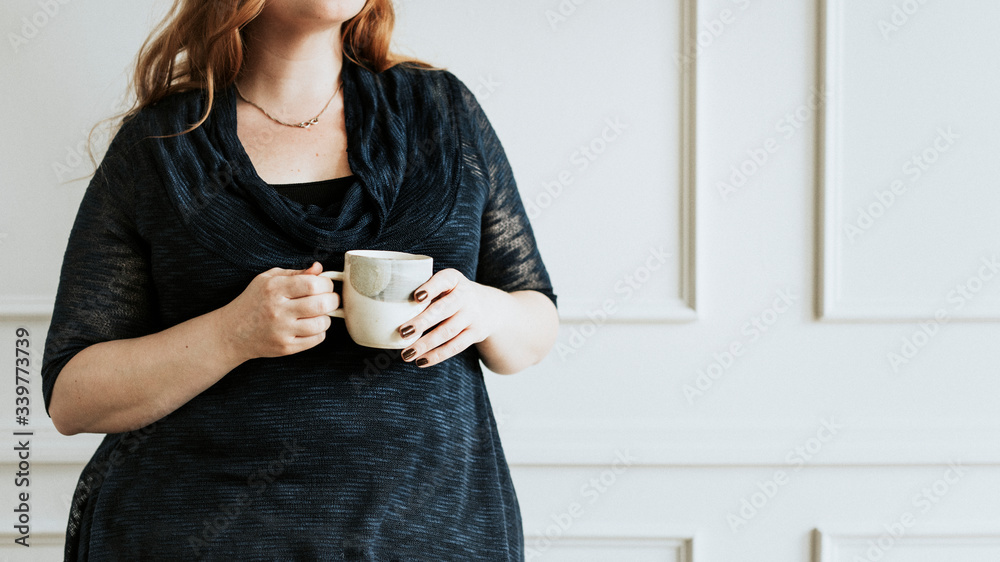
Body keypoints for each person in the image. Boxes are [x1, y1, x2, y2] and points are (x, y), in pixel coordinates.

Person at [40, 0, 559, 559]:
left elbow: (535, 321)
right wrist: (231, 335)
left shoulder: (443, 112)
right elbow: (73, 396)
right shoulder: (162, 147)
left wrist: (488, 311)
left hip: (431, 536)